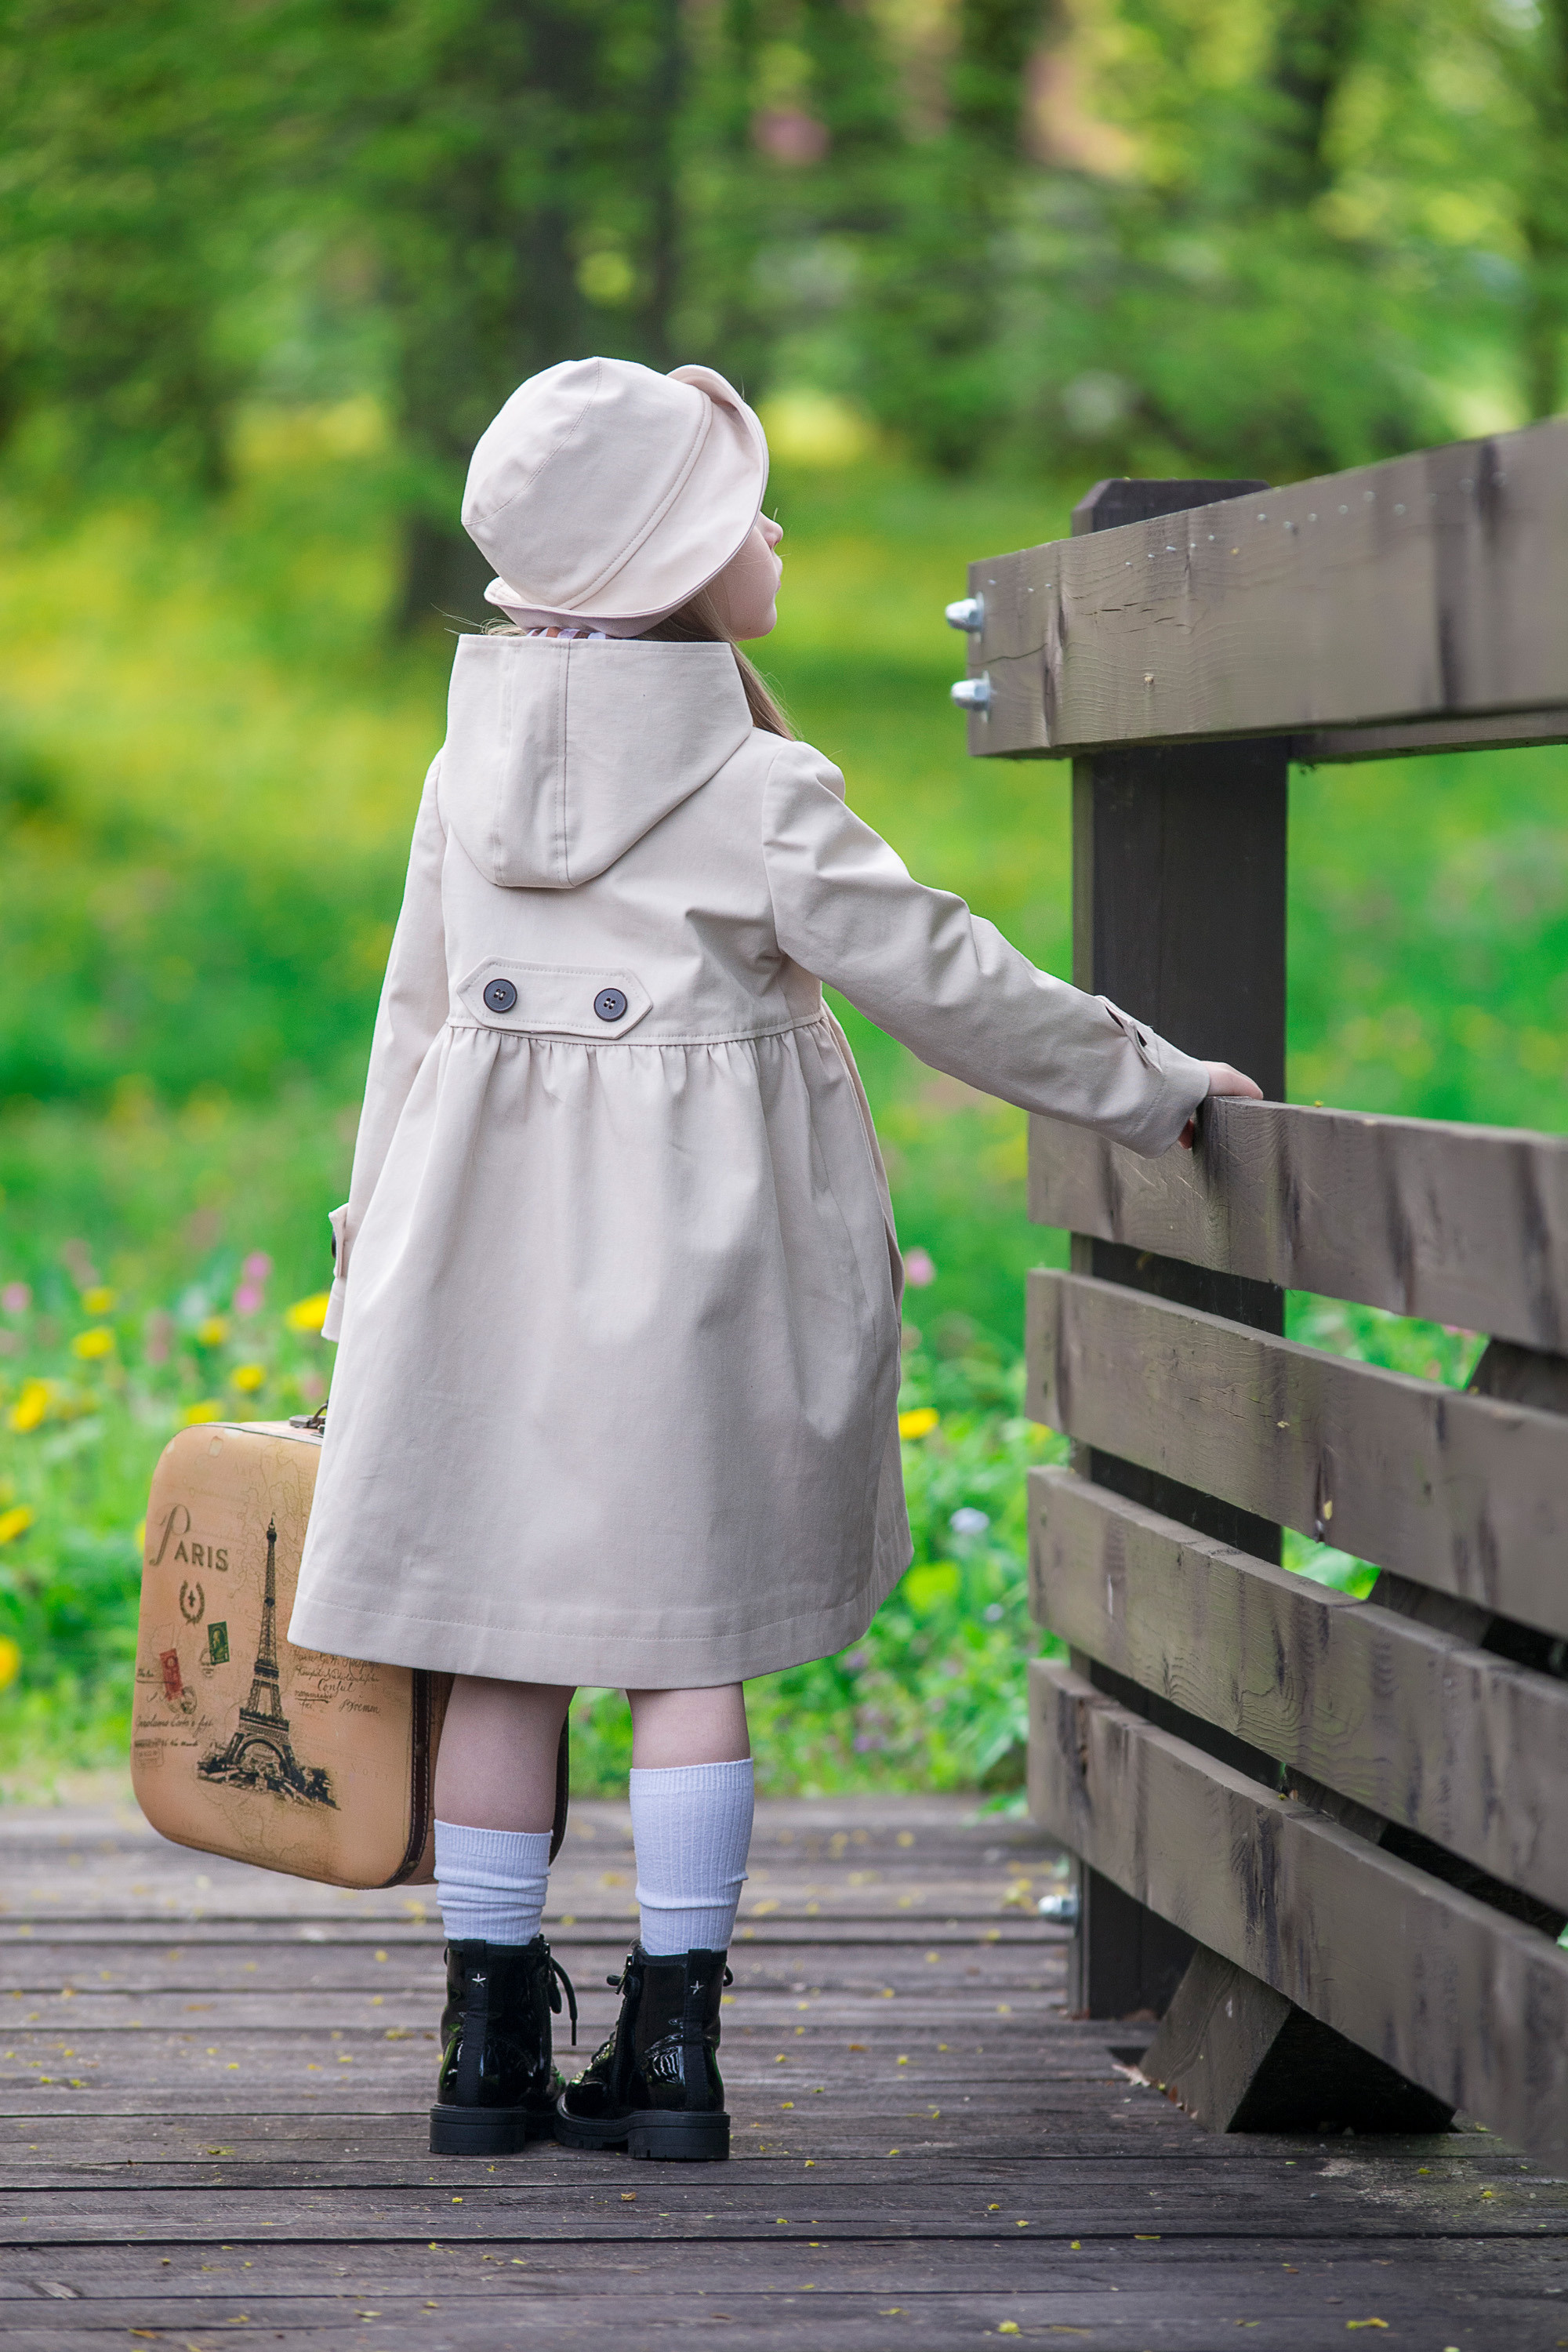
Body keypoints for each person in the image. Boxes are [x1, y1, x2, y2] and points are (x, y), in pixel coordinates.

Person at [287, 356, 1261, 2165]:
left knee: (494, 1651)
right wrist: (1155, 1088)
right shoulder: (754, 783)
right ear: (672, 577)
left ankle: (482, 2053)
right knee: (685, 1652)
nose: (779, 537)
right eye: (745, 523)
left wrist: (369, 1253)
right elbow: (944, 977)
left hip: (475, 1260)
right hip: (696, 1273)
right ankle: (672, 2050)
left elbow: (408, 1030)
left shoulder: (460, 767)